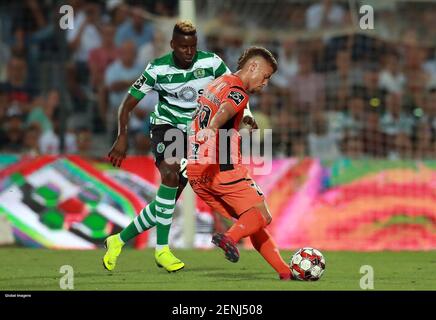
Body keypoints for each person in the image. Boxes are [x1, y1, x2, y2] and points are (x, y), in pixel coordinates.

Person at [103, 20, 256, 272]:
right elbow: (127, 104)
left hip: (197, 133)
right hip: (167, 127)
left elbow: (236, 89)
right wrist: (122, 137)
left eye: (193, 46)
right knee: (171, 172)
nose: (189, 51)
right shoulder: (157, 69)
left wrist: (247, 113)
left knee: (166, 201)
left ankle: (117, 240)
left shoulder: (212, 63)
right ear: (173, 45)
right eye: (184, 47)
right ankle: (162, 250)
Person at [186, 46, 293, 280]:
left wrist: (242, 116)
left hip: (197, 172)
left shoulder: (219, 82)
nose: (265, 83)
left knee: (251, 220)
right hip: (222, 166)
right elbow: (225, 109)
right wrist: (213, 128)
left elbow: (224, 106)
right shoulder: (239, 92)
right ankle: (229, 238)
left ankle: (285, 272)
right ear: (252, 67)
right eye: (265, 76)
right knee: (262, 215)